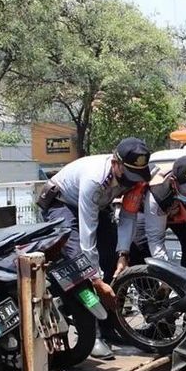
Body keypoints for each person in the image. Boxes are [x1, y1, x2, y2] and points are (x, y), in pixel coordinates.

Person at [36, 137, 152, 358]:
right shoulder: (94, 178)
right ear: (115, 163)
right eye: (127, 174)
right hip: (63, 205)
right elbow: (87, 237)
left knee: (109, 257)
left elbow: (128, 217)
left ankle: (108, 328)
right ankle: (93, 334)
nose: (131, 181)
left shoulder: (137, 179)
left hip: (98, 207)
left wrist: (123, 254)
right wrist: (96, 280)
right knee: (79, 263)